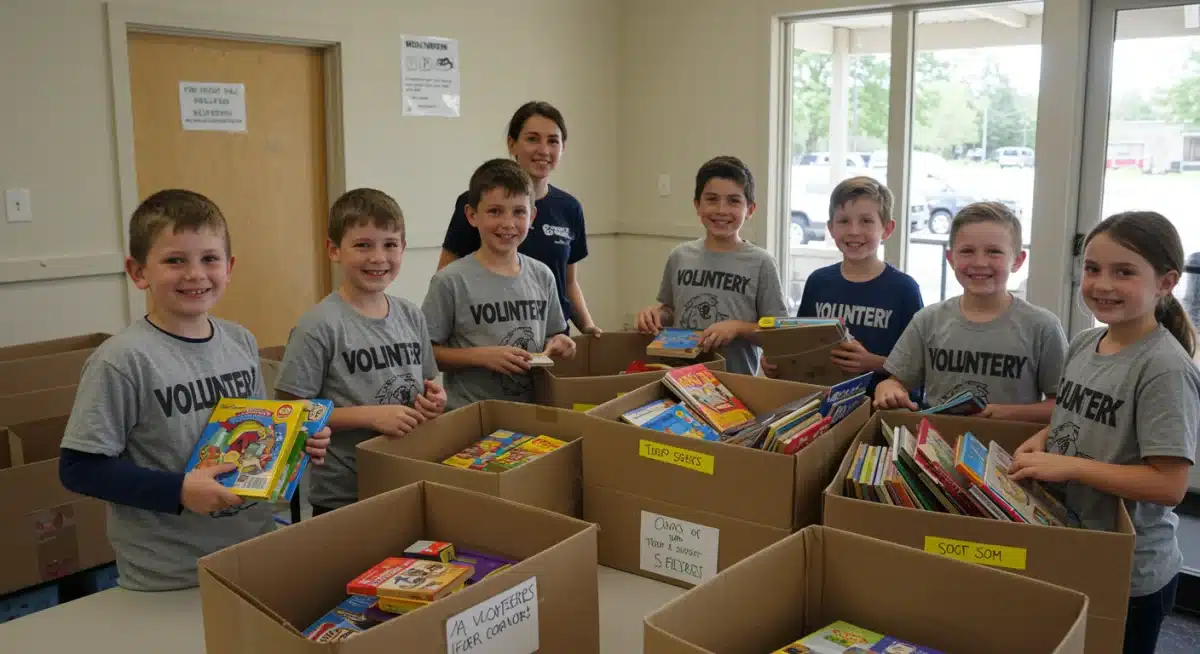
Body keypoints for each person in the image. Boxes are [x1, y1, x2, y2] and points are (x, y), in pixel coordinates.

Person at [57, 189, 331, 591]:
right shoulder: (122, 360)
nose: (195, 274)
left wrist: (295, 441)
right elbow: (80, 469)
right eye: (174, 260)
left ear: (229, 267)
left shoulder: (240, 341)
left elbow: (253, 433)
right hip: (172, 573)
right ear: (138, 272)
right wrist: (179, 490)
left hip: (253, 549)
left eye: (209, 259)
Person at [1008, 211, 1199, 654]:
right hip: (1076, 548)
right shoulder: (1083, 343)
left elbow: (1169, 485)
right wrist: (1045, 439)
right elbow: (1074, 418)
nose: (1102, 284)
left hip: (1130, 574)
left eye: (1124, 272)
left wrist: (1069, 466)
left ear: (1166, 282)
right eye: (1093, 269)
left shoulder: (1164, 369)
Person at [274, 188, 445, 518]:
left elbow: (427, 383)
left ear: (403, 248)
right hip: (344, 494)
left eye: (390, 245)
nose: (378, 257)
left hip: (407, 478)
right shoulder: (319, 326)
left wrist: (434, 400)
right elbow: (290, 413)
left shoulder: (412, 315)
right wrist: (370, 416)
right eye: (363, 245)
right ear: (334, 250)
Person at [874, 202, 1067, 422]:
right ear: (950, 258)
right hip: (936, 439)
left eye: (994, 252)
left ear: (1018, 261)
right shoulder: (927, 320)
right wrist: (887, 389)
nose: (980, 262)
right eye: (967, 251)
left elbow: (1063, 406)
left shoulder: (1043, 327)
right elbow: (895, 382)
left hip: (1014, 442)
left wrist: (1004, 413)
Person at [423, 158, 577, 410]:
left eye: (519, 212)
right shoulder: (450, 281)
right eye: (495, 211)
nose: (508, 223)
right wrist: (481, 357)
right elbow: (426, 353)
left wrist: (561, 344)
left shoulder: (542, 275)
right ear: (472, 215)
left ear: (532, 216)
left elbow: (554, 335)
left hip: (532, 412)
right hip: (472, 414)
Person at [437, 101, 599, 337]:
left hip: (552, 338)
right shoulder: (476, 202)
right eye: (532, 139)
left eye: (553, 141)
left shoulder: (569, 207)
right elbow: (446, 278)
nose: (543, 150)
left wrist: (588, 328)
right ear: (512, 144)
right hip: (491, 338)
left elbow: (568, 283)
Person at [761, 176, 923, 398]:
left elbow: (918, 369)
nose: (854, 231)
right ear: (831, 228)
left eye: (866, 221)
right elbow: (801, 350)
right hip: (822, 404)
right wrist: (778, 363)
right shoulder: (818, 282)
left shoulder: (904, 289)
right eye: (844, 221)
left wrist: (871, 362)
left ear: (887, 229)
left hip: (879, 407)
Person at [636, 155, 789, 376]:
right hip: (681, 377)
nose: (721, 210)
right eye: (712, 199)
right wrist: (655, 315)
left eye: (733, 201)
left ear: (750, 209)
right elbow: (671, 311)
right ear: (697, 205)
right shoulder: (680, 256)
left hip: (736, 382)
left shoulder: (761, 263)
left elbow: (778, 334)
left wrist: (737, 328)